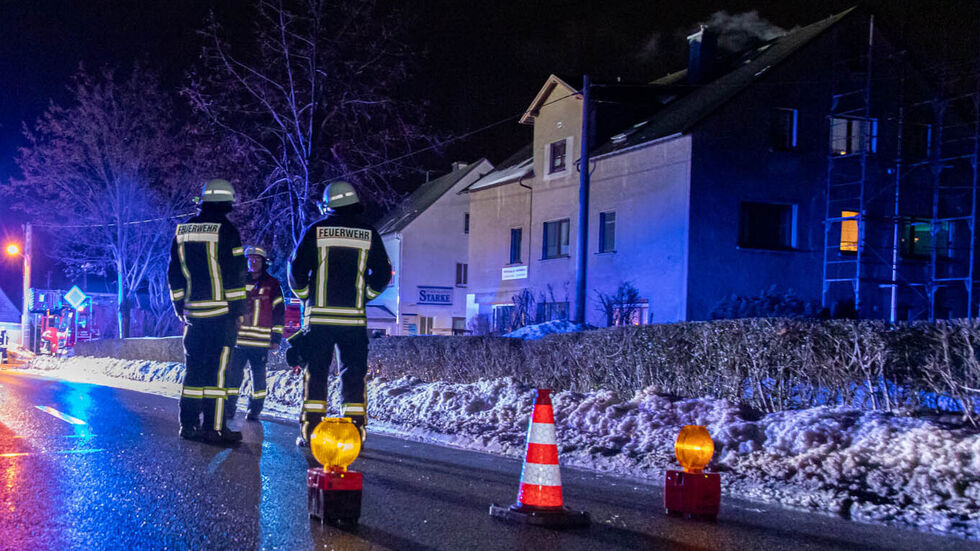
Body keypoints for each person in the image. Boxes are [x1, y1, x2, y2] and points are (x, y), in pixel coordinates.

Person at [288, 181, 391, 445]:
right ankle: (355, 432)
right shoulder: (368, 233)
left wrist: (307, 297)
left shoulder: (316, 230)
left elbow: (296, 271)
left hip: (319, 320)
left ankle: (311, 431)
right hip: (353, 320)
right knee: (353, 375)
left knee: (316, 374)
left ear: (328, 205)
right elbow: (383, 274)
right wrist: (363, 296)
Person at [167, 178, 247, 444]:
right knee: (217, 374)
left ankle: (188, 426)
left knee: (193, 373)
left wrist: (180, 305)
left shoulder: (184, 230)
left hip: (194, 316)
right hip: (221, 316)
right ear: (227, 202)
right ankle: (214, 428)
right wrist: (238, 310)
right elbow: (236, 273)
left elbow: (174, 273)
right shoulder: (227, 230)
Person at [225, 246, 284, 421]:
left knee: (258, 379)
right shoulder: (237, 282)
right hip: (238, 340)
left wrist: (276, 337)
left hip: (260, 341)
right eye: (250, 258)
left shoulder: (272, 284)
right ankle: (229, 408)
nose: (253, 262)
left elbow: (279, 311)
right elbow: (229, 308)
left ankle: (254, 410)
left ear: (264, 262)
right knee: (233, 377)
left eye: (257, 259)